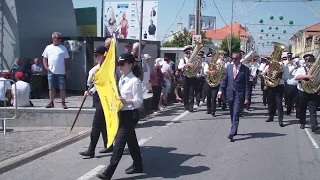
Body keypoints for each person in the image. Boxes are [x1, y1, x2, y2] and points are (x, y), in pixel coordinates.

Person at [97, 52, 143, 180]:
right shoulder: (122, 79)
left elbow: (139, 101)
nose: (119, 67)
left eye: (122, 64)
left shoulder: (135, 82)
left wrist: (125, 101)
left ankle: (108, 172)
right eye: (118, 64)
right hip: (121, 114)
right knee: (131, 141)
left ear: (130, 64)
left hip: (130, 115)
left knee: (119, 143)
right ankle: (138, 165)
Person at [79, 45, 113, 158]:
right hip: (99, 97)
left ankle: (91, 150)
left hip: (107, 98)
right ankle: (108, 145)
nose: (95, 57)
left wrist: (92, 89)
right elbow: (92, 83)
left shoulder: (109, 68)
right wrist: (91, 90)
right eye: (94, 55)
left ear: (104, 55)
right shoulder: (96, 69)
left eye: (97, 55)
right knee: (102, 123)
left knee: (96, 124)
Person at [218, 51, 250, 142]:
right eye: (232, 58)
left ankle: (232, 132)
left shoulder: (245, 69)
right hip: (229, 93)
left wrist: (247, 97)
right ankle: (234, 128)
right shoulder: (229, 67)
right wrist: (220, 90)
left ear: (240, 59)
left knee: (236, 113)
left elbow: (247, 85)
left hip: (239, 95)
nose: (233, 60)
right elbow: (224, 81)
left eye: (235, 59)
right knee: (232, 113)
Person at [42, 32, 70, 109]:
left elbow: (67, 59)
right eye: (58, 38)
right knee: (51, 88)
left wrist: (67, 70)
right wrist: (46, 67)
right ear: (53, 38)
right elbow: (44, 58)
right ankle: (51, 102)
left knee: (62, 88)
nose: (59, 40)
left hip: (61, 72)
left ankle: (63, 103)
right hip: (51, 71)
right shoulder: (48, 47)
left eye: (60, 38)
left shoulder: (63, 48)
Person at [294, 54, 319, 132]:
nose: (310, 63)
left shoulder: (317, 70)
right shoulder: (301, 69)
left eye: (312, 61)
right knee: (302, 108)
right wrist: (307, 76)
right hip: (302, 91)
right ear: (305, 62)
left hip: (313, 92)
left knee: (313, 109)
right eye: (309, 61)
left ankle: (314, 125)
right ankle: (302, 122)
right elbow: (296, 77)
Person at [178, 45, 196, 112]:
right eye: (187, 53)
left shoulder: (193, 60)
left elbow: (196, 67)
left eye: (189, 53)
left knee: (191, 92)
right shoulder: (182, 60)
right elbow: (179, 67)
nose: (188, 54)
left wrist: (195, 66)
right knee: (186, 92)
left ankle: (191, 106)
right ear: (184, 53)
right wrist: (186, 65)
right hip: (185, 77)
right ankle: (186, 105)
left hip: (192, 77)